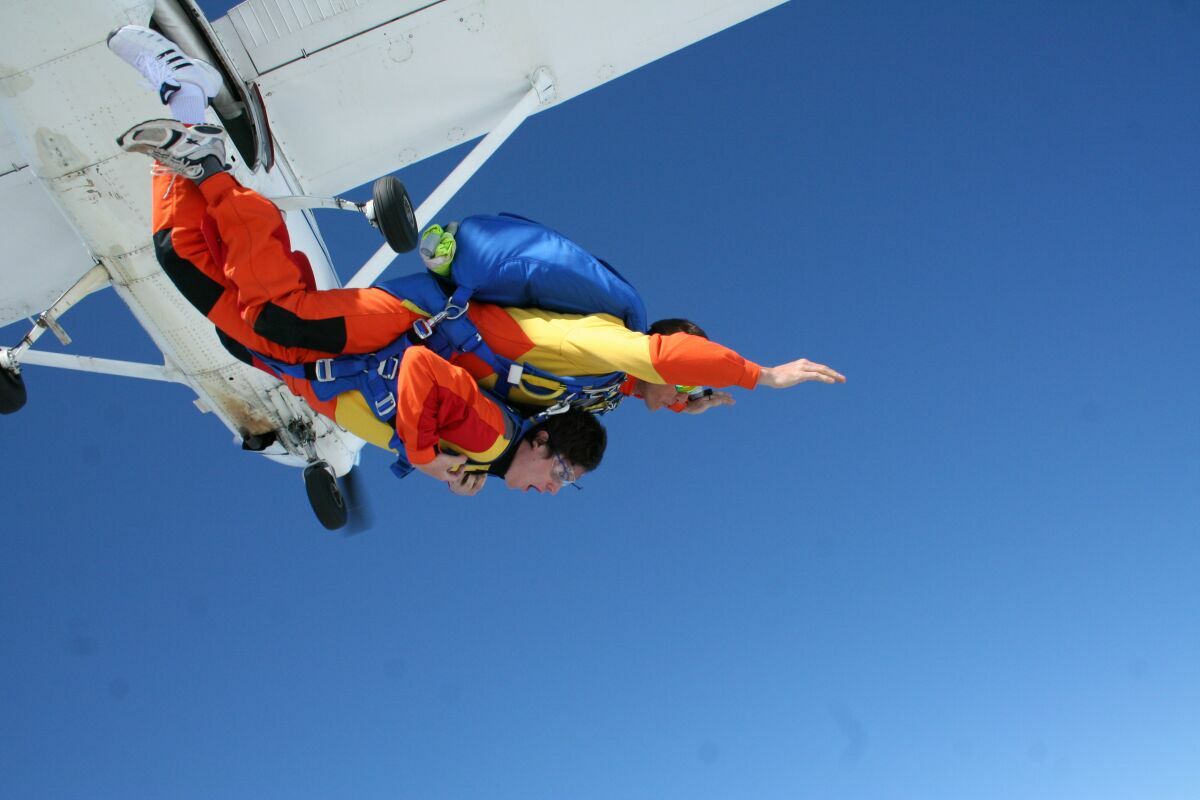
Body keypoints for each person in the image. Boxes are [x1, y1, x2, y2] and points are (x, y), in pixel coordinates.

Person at [109, 25, 845, 426]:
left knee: (182, 262)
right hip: (402, 325)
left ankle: (185, 105)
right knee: (274, 318)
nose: (683, 405)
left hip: (401, 351)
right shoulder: (607, 350)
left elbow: (613, 388)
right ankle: (209, 166)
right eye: (685, 388)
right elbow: (657, 357)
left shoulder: (593, 389)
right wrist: (758, 373)